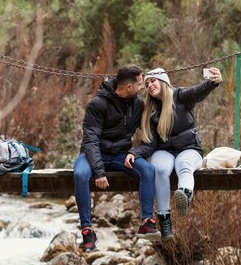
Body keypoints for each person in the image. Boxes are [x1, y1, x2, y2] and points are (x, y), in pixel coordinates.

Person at [125, 67, 222, 241]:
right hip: (165, 150)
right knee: (159, 169)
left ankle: (184, 194)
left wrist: (212, 83)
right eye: (146, 84)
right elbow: (150, 144)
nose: (149, 85)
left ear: (163, 81)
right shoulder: (152, 112)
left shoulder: (180, 96)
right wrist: (134, 152)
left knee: (183, 166)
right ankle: (165, 222)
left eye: (153, 81)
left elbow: (197, 92)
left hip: (189, 148)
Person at [74, 64, 161, 251]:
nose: (143, 87)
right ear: (129, 87)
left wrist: (134, 153)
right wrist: (98, 171)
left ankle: (147, 221)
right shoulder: (97, 104)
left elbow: (150, 138)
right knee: (80, 175)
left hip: (121, 155)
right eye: (140, 83)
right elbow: (90, 140)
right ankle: (87, 231)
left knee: (148, 170)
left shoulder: (138, 105)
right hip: (94, 154)